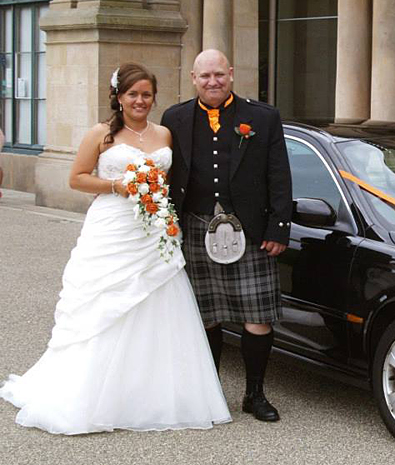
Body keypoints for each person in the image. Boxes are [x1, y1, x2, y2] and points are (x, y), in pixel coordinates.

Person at [0, 63, 232, 434]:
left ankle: (149, 394)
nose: (140, 101)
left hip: (152, 234)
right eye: (133, 94)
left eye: (146, 95)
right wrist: (117, 186)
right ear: (119, 97)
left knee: (157, 303)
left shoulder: (165, 135)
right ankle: (92, 396)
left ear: (154, 98)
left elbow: (171, 182)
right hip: (112, 228)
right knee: (103, 307)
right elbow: (76, 178)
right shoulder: (101, 134)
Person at [161, 49, 292, 423]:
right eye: (205, 76)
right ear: (193, 78)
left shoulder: (263, 117)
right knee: (206, 318)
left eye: (219, 74)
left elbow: (279, 175)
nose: (212, 82)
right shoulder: (175, 117)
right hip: (195, 226)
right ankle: (211, 391)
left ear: (231, 74)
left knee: (257, 318)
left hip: (250, 230)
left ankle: (255, 394)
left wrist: (278, 227)